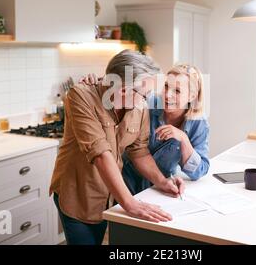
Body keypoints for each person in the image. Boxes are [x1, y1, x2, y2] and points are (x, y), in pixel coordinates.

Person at [50, 50, 185, 245]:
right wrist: (130, 203)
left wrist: (163, 182)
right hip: (78, 193)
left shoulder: (138, 106)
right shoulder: (81, 96)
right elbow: (100, 154)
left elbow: (139, 151)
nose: (146, 100)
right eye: (144, 94)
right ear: (123, 90)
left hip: (108, 193)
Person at [81, 64, 210, 196]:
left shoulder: (198, 123)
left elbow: (200, 171)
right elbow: (121, 88)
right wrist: (97, 82)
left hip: (157, 188)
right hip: (124, 180)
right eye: (166, 86)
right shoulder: (148, 101)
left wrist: (183, 139)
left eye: (177, 91)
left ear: (192, 96)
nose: (167, 95)